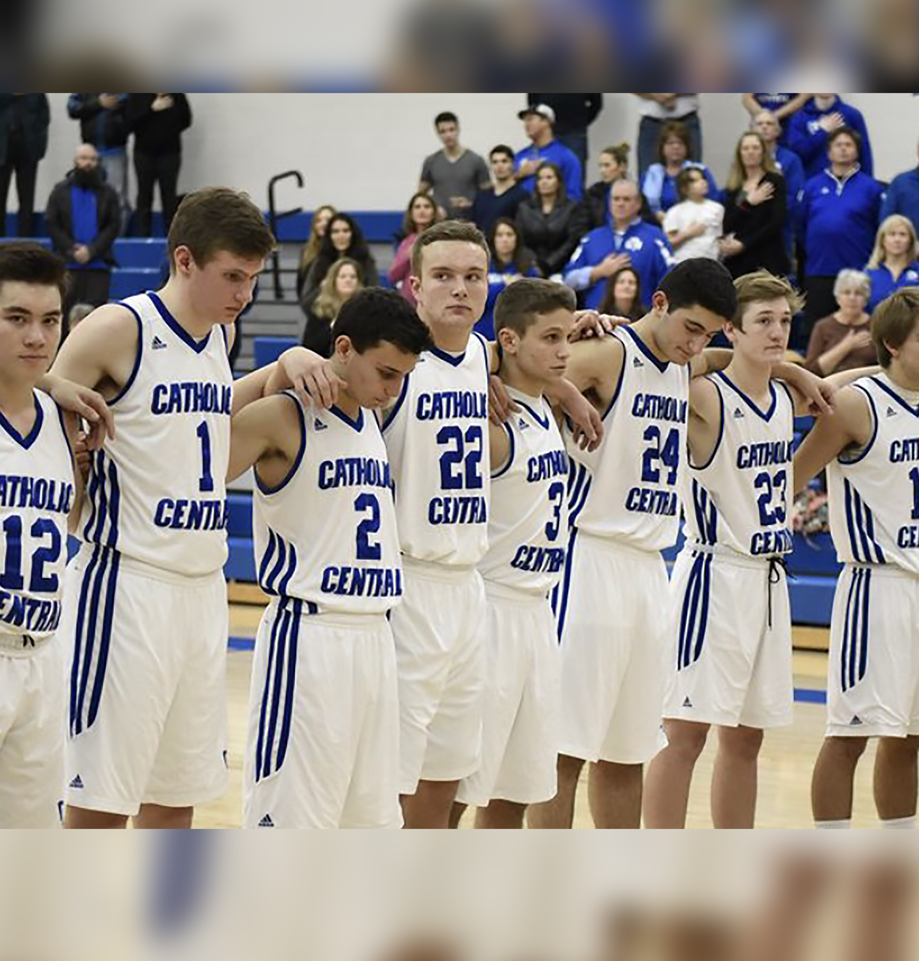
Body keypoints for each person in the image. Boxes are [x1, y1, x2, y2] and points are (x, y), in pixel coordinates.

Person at [277, 220, 602, 829]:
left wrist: (565, 390)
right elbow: (319, 370)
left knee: (447, 771)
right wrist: (295, 354)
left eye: (473, 276)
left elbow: (539, 348)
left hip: (468, 589)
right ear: (415, 288)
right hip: (407, 583)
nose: (460, 289)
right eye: (444, 276)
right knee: (390, 777)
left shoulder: (483, 355)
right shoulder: (395, 361)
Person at [526, 259, 829, 830]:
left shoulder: (683, 363)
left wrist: (794, 373)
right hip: (590, 560)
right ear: (659, 303)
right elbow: (514, 360)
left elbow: (731, 360)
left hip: (649, 570)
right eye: (691, 327)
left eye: (709, 333)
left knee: (628, 751)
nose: (698, 344)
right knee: (564, 750)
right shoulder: (608, 353)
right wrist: (566, 388)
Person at [53, 187, 281, 830]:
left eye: (253, 278)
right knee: (99, 794)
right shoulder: (117, 327)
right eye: (232, 276)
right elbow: (45, 436)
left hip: (201, 588)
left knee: (177, 793)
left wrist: (273, 373)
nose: (244, 294)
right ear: (184, 260)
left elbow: (187, 422)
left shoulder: (221, 334)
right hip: (126, 585)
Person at [229, 290, 433, 828]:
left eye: (402, 378)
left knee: (369, 824)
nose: (393, 391)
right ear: (343, 348)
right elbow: (188, 447)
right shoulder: (282, 415)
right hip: (309, 638)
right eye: (385, 373)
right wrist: (282, 362)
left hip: (375, 640)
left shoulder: (371, 416)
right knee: (291, 822)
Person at [644, 271, 807, 829]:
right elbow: (659, 367)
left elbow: (851, 387)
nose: (777, 331)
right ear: (729, 330)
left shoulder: (785, 397)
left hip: (768, 579)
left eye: (785, 320)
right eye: (763, 320)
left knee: (746, 738)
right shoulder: (705, 395)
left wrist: (793, 371)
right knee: (682, 733)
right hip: (713, 578)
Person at [792, 289, 919, 828]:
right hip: (877, 586)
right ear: (892, 344)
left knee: (911, 732)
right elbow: (793, 476)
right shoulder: (859, 403)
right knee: (850, 735)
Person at [0, 242, 83, 828]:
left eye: (50, 320)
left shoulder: (67, 421)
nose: (37, 336)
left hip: (41, 660)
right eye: (17, 319)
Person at [454, 279, 576, 828]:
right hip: (491, 609)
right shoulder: (487, 420)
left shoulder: (545, 402)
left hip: (538, 612)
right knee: (456, 786)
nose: (564, 351)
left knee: (518, 787)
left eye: (568, 337)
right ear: (507, 339)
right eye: (551, 338)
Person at [797, 127, 884, 331]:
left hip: (857, 272)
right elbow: (800, 227)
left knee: (859, 335)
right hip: (819, 271)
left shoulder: (871, 188)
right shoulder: (812, 186)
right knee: (816, 332)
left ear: (856, 151)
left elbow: (880, 229)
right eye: (838, 145)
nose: (843, 149)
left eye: (848, 145)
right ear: (829, 152)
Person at [564, 179, 674, 311]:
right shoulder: (592, 238)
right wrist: (597, 272)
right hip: (596, 323)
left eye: (626, 199)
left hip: (640, 323)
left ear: (638, 203)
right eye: (616, 199)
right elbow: (567, 280)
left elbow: (671, 280)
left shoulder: (655, 237)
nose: (620, 204)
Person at [45, 144, 121, 325]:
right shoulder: (59, 191)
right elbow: (52, 223)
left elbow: (114, 224)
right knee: (63, 319)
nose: (88, 163)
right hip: (67, 264)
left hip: (99, 265)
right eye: (84, 159)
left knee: (96, 321)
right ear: (75, 161)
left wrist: (92, 250)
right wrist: (71, 249)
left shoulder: (108, 193)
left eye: (93, 159)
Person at [0, 93, 50, 238]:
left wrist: (39, 141)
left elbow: (44, 114)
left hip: (28, 147)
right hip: (0, 146)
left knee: (27, 199)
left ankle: (24, 240)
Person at [720, 131, 789, 279]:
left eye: (755, 148)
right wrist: (747, 203)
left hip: (767, 258)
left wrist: (744, 244)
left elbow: (775, 222)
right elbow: (727, 224)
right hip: (739, 262)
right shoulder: (734, 187)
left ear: (763, 152)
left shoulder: (773, 181)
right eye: (746, 148)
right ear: (740, 153)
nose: (750, 152)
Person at [126, 93, 192, 238]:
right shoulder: (138, 95)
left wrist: (170, 112)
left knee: (169, 196)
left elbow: (186, 120)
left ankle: (170, 237)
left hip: (170, 153)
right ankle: (143, 237)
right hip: (144, 153)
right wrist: (151, 109)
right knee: (144, 196)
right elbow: (129, 122)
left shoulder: (177, 95)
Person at [67, 94, 131, 231]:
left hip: (115, 149)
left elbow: (130, 100)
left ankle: (118, 239)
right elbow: (72, 109)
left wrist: (114, 101)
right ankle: (89, 239)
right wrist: (98, 103)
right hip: (90, 151)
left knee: (118, 197)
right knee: (87, 197)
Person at [750, 109, 805, 256]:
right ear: (752, 129)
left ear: (778, 131)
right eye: (759, 124)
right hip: (749, 230)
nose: (764, 127)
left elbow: (796, 197)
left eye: (769, 123)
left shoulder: (791, 160)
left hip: (782, 231)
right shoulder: (745, 157)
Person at [640, 120, 720, 222]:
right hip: (657, 227)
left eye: (680, 143)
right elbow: (641, 207)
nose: (676, 147)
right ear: (662, 147)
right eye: (670, 143)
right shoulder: (650, 174)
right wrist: (657, 215)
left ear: (687, 147)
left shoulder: (701, 172)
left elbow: (713, 203)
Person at [299, 213, 379, 314]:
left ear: (353, 234)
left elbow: (374, 298)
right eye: (335, 231)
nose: (341, 236)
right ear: (329, 235)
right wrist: (323, 288)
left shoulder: (366, 260)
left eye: (346, 231)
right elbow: (306, 303)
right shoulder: (319, 262)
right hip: (325, 320)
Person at [418, 111, 490, 221]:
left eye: (451, 130)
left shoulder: (476, 160)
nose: (448, 135)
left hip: (468, 223)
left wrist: (470, 204)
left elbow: (488, 196)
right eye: (443, 131)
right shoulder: (431, 161)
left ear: (458, 129)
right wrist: (433, 208)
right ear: (437, 133)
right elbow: (420, 195)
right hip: (440, 224)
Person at [804, 270, 878, 376]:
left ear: (866, 300)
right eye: (847, 292)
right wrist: (847, 345)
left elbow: (886, 367)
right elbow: (811, 371)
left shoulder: (876, 326)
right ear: (838, 298)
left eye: (858, 293)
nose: (852, 298)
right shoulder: (822, 326)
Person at [476, 219, 540, 341]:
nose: (504, 239)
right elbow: (478, 299)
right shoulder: (481, 266)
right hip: (484, 333)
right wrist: (504, 285)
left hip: (518, 333)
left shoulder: (528, 267)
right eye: (499, 235)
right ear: (493, 239)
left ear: (517, 238)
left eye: (509, 235)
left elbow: (536, 301)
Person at [787, 93, 873, 180]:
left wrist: (868, 185)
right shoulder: (800, 117)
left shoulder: (852, 115)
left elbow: (864, 154)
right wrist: (822, 132)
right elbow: (798, 155)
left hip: (848, 184)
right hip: (812, 184)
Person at [514, 161, 579, 278]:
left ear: (558, 182)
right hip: (530, 268)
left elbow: (571, 241)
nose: (544, 182)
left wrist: (548, 265)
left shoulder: (571, 208)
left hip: (562, 269)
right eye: (540, 178)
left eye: (549, 177)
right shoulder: (524, 207)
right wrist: (534, 265)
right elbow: (520, 239)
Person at [526, 93, 603, 182]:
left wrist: (581, 122)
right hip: (545, 133)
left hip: (574, 132)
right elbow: (533, 104)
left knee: (575, 177)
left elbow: (596, 104)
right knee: (543, 176)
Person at [515, 104, 583, 202]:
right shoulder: (519, 156)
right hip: (521, 213)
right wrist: (520, 174)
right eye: (525, 120)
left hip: (553, 214)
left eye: (530, 119)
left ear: (546, 122)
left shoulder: (566, 157)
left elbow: (574, 196)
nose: (526, 124)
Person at [866, 215, 919, 308]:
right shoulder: (869, 274)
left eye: (903, 234)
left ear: (910, 241)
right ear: (882, 240)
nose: (897, 239)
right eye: (892, 234)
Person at [633, 93, 702, 181]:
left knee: (693, 178)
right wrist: (656, 95)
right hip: (651, 124)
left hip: (687, 120)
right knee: (648, 180)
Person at [302, 258, 363, 356]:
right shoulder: (320, 310)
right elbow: (309, 347)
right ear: (333, 281)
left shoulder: (364, 310)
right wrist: (332, 326)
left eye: (353, 277)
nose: (348, 280)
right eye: (343, 276)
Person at [662, 166, 725, 262]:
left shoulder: (717, 208)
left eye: (703, 179)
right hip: (683, 263)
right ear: (684, 188)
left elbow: (718, 237)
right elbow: (667, 244)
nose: (703, 182)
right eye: (695, 181)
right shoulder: (675, 212)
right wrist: (687, 234)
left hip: (711, 262)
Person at [389, 193, 438, 305]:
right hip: (409, 304)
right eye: (417, 207)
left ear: (434, 212)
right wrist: (409, 255)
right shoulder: (406, 242)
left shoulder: (442, 240)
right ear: (411, 213)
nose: (422, 211)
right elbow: (393, 276)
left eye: (426, 206)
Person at [472, 145, 528, 236]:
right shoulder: (481, 196)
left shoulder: (522, 196)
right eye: (495, 162)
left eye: (504, 161)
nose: (499, 166)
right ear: (490, 166)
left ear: (513, 164)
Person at [296, 205, 336, 302]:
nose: (323, 223)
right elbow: (300, 284)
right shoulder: (307, 251)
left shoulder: (342, 249)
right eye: (318, 220)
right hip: (312, 306)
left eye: (327, 219)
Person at [741, 94, 812, 141]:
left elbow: (804, 97)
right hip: (762, 124)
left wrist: (775, 116)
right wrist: (763, 116)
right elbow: (747, 99)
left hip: (789, 124)